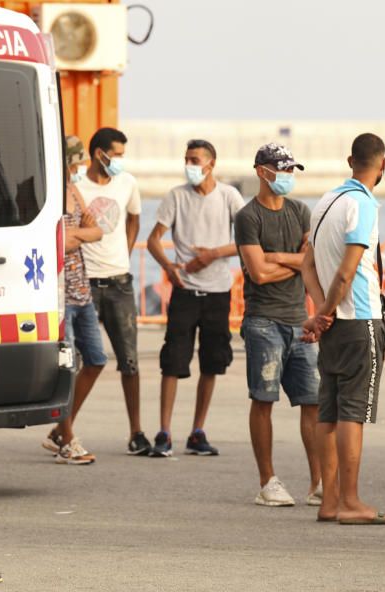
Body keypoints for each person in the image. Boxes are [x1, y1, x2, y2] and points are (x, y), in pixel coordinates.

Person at [301, 133, 385, 525]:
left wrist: (320, 312)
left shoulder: (325, 202)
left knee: (330, 410)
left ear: (349, 160)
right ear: (383, 164)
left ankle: (329, 499)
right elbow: (349, 269)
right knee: (353, 414)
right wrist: (327, 310)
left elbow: (307, 264)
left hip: (335, 324)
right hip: (359, 319)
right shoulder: (363, 204)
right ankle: (352, 502)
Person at [235, 143, 321, 507]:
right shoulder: (247, 216)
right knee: (263, 400)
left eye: (290, 170)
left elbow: (311, 262)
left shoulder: (301, 211)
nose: (286, 177)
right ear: (261, 171)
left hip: (299, 321)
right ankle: (267, 480)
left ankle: (319, 483)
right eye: (280, 169)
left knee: (313, 403)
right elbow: (257, 273)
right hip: (263, 322)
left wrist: (277, 258)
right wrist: (296, 262)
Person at [147, 139, 244, 457]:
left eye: (195, 159)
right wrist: (170, 269)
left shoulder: (229, 196)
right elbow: (153, 240)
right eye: (186, 159)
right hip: (185, 291)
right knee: (172, 362)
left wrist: (215, 253)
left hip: (218, 291)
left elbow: (248, 239)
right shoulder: (177, 196)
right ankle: (164, 431)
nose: (189, 165)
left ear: (211, 164)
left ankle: (197, 431)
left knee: (212, 363)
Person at [75, 127, 152, 456]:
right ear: (98, 154)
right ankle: (65, 429)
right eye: (116, 155)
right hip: (85, 284)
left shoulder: (127, 183)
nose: (120, 161)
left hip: (120, 283)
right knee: (82, 361)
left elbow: (134, 219)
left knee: (130, 362)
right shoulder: (76, 184)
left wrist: (126, 252)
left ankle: (136, 431)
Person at [43, 136, 103, 465]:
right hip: (59, 294)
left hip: (83, 292)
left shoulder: (73, 189)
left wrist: (75, 235)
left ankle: (61, 428)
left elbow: (96, 231)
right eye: (77, 163)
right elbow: (54, 241)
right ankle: (67, 440)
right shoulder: (45, 190)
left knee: (96, 360)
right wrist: (78, 235)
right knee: (66, 367)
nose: (80, 169)